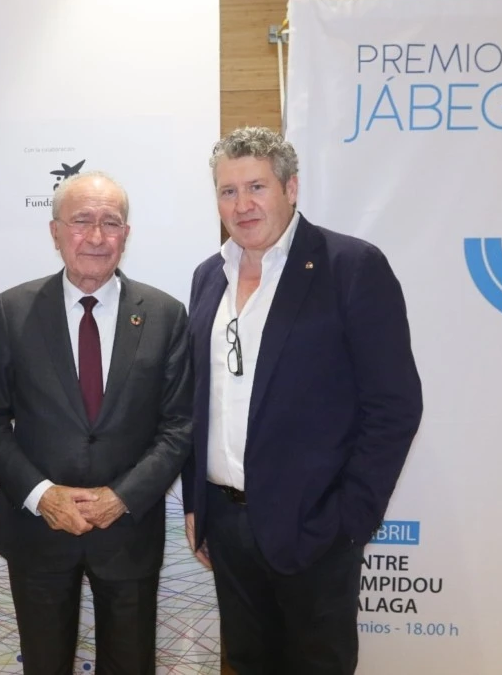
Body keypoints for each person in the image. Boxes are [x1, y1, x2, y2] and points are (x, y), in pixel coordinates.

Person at [181, 127, 423, 674]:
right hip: (227, 526)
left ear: (291, 188)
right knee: (246, 663)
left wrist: (348, 520)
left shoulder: (350, 267)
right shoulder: (207, 278)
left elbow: (395, 405)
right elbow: (197, 401)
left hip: (315, 529)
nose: (241, 205)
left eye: (256, 187)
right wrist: (197, 502)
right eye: (227, 191)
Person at [0, 171, 191, 675]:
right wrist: (41, 495)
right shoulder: (13, 310)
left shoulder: (165, 314)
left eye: (110, 222)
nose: (96, 237)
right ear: (55, 232)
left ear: (126, 234)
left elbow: (179, 425)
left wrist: (121, 497)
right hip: (38, 532)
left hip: (127, 532)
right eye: (81, 222)